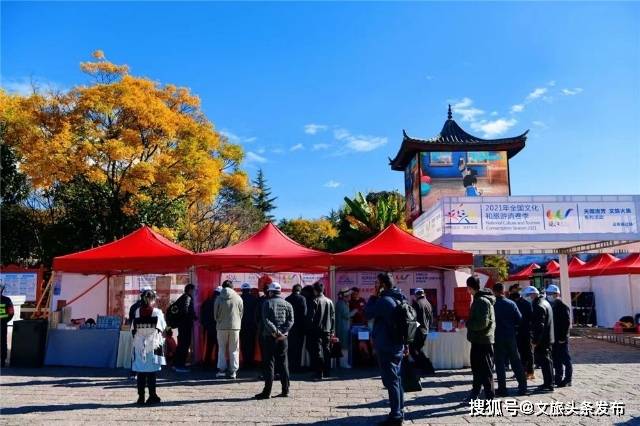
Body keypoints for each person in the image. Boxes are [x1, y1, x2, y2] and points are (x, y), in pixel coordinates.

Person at [364, 273, 405, 426]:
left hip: (387, 345)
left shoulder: (384, 301)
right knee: (397, 380)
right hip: (396, 344)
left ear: (382, 285)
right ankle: (400, 411)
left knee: (391, 381)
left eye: (376, 283)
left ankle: (395, 416)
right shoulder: (399, 297)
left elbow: (367, 313)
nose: (374, 285)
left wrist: (374, 296)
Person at [255, 282, 294, 400]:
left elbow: (266, 320)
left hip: (269, 337)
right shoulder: (287, 304)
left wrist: (275, 332)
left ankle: (267, 392)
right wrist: (282, 332)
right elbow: (291, 320)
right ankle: (285, 390)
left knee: (269, 364)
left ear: (270, 292)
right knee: (283, 363)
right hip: (283, 338)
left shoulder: (267, 303)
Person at [492, 283, 527, 396]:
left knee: (500, 363)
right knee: (516, 361)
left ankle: (502, 389)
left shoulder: (492, 305)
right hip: (510, 335)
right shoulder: (511, 303)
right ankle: (523, 386)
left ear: (494, 292)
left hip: (497, 336)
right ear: (503, 291)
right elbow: (520, 319)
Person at [131, 290, 166, 405]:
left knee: (141, 371)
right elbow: (162, 327)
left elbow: (133, 329)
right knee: (151, 372)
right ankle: (152, 395)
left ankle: (141, 397)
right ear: (152, 299)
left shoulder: (137, 311)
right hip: (152, 344)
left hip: (139, 343)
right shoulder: (157, 312)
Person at [465, 275, 496, 401]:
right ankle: (475, 394)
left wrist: (467, 323)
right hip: (478, 340)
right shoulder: (479, 299)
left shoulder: (481, 301)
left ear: (470, 287)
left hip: (483, 341)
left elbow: (482, 323)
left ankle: (490, 397)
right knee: (477, 370)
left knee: (485, 370)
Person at [523, 286, 555, 393]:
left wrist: (535, 341)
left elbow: (539, 326)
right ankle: (548, 382)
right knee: (547, 362)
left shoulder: (538, 305)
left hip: (543, 340)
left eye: (528, 296)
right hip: (547, 337)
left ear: (533, 295)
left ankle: (549, 384)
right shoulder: (544, 302)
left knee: (545, 362)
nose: (527, 298)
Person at [306, 281, 335, 380]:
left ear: (315, 290)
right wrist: (332, 330)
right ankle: (327, 371)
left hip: (316, 330)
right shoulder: (329, 301)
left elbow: (310, 318)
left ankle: (319, 372)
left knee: (317, 351)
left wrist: (309, 328)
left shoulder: (314, 301)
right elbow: (332, 317)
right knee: (326, 350)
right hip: (327, 329)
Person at [214, 280, 244, 379]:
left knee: (221, 349)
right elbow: (241, 313)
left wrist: (219, 320)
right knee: (234, 349)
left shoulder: (218, 298)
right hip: (235, 327)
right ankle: (233, 371)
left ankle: (221, 370)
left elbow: (215, 314)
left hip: (221, 327)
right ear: (232, 287)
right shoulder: (238, 298)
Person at [546, 285, 572, 387]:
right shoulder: (550, 306)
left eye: (551, 294)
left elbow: (566, 323)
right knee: (556, 359)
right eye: (548, 294)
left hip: (561, 338)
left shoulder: (562, 307)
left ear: (557, 294)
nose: (549, 296)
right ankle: (558, 378)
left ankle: (568, 379)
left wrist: (563, 338)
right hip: (554, 337)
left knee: (565, 359)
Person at [509, 283, 535, 380]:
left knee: (528, 352)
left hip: (526, 331)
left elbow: (530, 319)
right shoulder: (514, 303)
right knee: (520, 353)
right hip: (519, 332)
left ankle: (530, 371)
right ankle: (521, 371)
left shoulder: (526, 304)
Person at [173, 283, 197, 373]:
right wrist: (193, 317)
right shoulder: (187, 298)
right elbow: (186, 310)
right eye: (194, 290)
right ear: (190, 290)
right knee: (184, 345)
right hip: (185, 325)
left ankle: (176, 364)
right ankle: (180, 365)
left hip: (182, 325)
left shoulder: (183, 297)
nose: (195, 292)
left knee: (181, 345)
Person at [410, 288, 434, 375]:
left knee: (414, 349)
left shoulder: (417, 303)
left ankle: (427, 366)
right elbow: (431, 319)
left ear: (416, 295)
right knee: (417, 349)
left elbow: (414, 319)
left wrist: (414, 328)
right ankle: (421, 365)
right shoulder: (428, 303)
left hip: (419, 330)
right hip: (425, 330)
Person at [285, 284, 307, 373]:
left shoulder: (287, 299)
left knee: (290, 348)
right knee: (298, 348)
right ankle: (297, 367)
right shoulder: (302, 298)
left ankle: (290, 367)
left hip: (289, 328)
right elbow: (304, 314)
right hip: (300, 328)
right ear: (300, 290)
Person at [200, 286, 221, 370]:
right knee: (218, 347)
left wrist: (205, 325)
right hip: (218, 327)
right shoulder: (220, 302)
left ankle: (207, 362)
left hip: (208, 328)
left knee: (209, 345)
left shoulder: (207, 301)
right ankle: (217, 363)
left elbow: (202, 314)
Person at [240, 283, 258, 369]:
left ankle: (245, 361)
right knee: (251, 344)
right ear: (249, 290)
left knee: (243, 344)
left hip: (241, 325)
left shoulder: (238, 298)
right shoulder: (254, 299)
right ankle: (250, 362)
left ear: (242, 290)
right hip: (252, 325)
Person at [335, 287, 352, 368]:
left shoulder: (342, 303)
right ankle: (343, 363)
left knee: (344, 346)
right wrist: (355, 311)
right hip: (343, 328)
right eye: (349, 295)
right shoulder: (341, 304)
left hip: (343, 328)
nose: (350, 297)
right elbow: (347, 315)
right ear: (345, 296)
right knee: (344, 346)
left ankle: (343, 363)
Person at [0, 283, 15, 368]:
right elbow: (11, 313)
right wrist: (5, 321)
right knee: (2, 342)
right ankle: (2, 361)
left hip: (2, 324)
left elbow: (11, 312)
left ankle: (2, 361)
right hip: (2, 324)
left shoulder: (7, 300)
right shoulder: (7, 300)